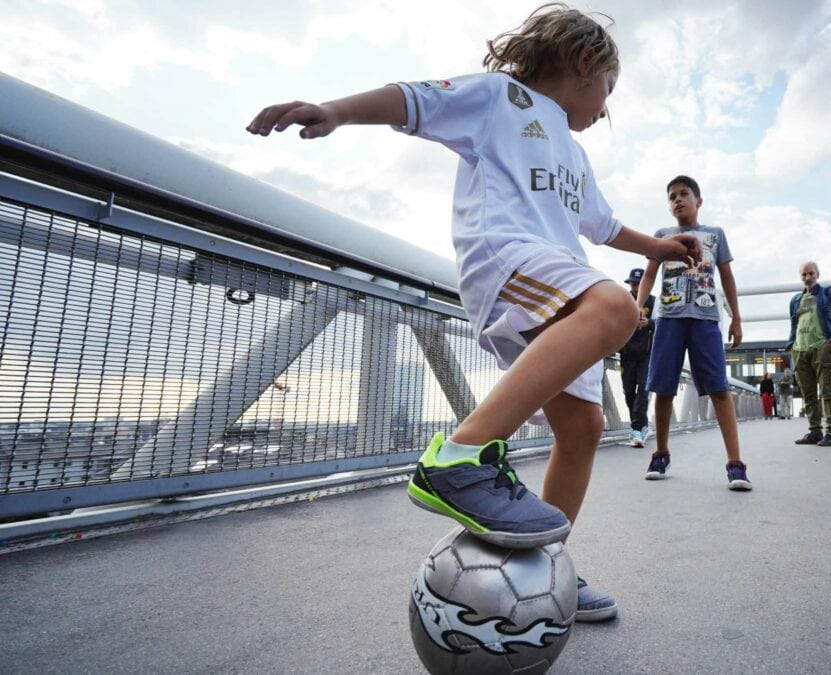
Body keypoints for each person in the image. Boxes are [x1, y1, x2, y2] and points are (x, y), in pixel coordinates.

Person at [247, 3, 702, 623]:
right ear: (583, 61)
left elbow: (601, 226)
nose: (606, 107)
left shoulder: (574, 155)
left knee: (584, 427)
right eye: (608, 91)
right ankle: (458, 457)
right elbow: (413, 101)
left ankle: (543, 566)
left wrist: (659, 247)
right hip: (506, 257)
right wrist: (336, 111)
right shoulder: (500, 100)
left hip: (555, 272)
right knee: (615, 306)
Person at [636, 175, 751, 490]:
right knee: (663, 387)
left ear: (699, 201)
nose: (677, 200)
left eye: (684, 194)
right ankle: (660, 453)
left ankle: (735, 464)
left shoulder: (715, 235)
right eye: (672, 196)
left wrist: (736, 318)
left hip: (705, 319)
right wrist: (638, 307)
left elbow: (727, 277)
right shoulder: (662, 237)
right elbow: (648, 276)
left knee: (719, 389)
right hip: (669, 318)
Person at [789, 261, 831, 447]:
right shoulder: (795, 300)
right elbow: (794, 326)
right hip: (800, 350)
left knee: (827, 391)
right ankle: (815, 432)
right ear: (801, 277)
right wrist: (791, 346)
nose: (808, 277)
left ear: (817, 274)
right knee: (808, 394)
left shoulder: (829, 293)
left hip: (822, 348)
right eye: (804, 274)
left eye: (811, 273)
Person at [618, 268, 655, 447]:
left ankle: (637, 428)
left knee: (643, 390)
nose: (635, 286)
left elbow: (663, 325)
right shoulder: (623, 301)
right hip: (626, 354)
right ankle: (642, 426)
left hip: (647, 354)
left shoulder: (655, 302)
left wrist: (649, 323)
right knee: (628, 391)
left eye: (638, 283)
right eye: (632, 283)